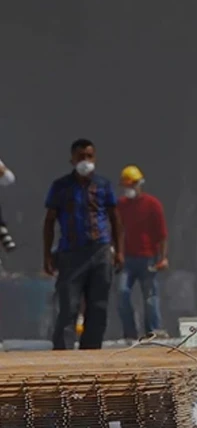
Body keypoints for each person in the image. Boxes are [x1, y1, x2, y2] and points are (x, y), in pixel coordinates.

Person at [43, 139, 123, 349]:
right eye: (80, 157)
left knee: (98, 306)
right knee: (69, 306)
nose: (85, 161)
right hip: (70, 253)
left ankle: (92, 351)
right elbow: (49, 221)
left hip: (100, 251)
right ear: (72, 159)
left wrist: (119, 251)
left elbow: (115, 218)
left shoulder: (103, 185)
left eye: (89, 156)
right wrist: (47, 255)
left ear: (94, 158)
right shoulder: (60, 187)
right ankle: (63, 353)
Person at [116, 165, 169, 340]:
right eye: (125, 186)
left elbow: (161, 235)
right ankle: (130, 332)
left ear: (139, 184)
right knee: (122, 293)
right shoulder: (121, 206)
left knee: (150, 297)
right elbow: (118, 232)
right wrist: (118, 254)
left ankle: (153, 331)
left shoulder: (153, 205)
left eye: (131, 185)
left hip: (148, 258)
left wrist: (162, 258)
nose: (128, 190)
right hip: (128, 259)